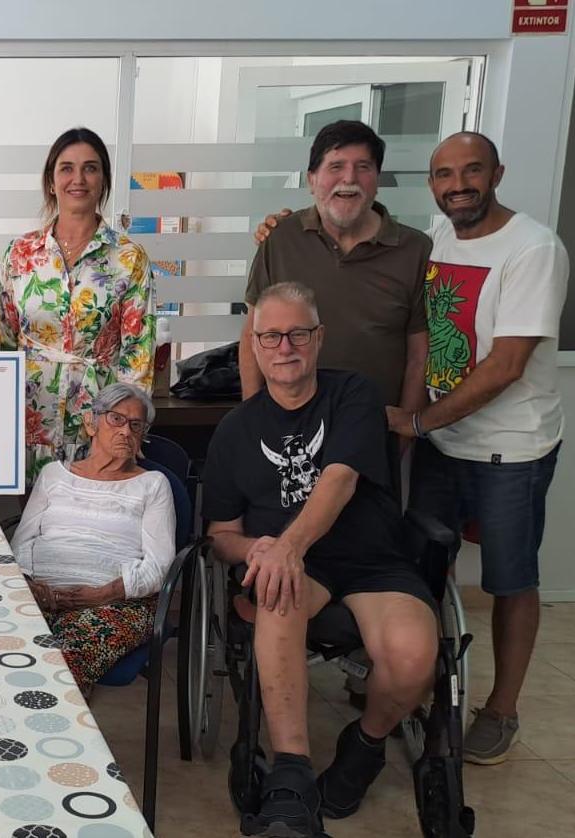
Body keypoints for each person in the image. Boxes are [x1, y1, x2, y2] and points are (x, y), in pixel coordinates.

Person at [203, 282, 438, 837]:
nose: (284, 347)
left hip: (372, 559)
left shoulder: (353, 394)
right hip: (294, 571)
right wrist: (258, 549)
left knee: (413, 658)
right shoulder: (236, 430)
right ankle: (292, 777)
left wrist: (288, 545)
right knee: (276, 589)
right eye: (271, 336)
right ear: (254, 345)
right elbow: (220, 535)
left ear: (319, 338)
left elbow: (339, 479)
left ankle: (366, 744)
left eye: (298, 334)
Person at [388, 132, 567, 765]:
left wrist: (418, 421)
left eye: (471, 171)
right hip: (443, 441)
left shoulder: (534, 248)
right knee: (423, 567)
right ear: (432, 183)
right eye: (444, 174)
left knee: (510, 579)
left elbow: (507, 365)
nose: (457, 185)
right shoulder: (438, 238)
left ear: (497, 173)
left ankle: (501, 710)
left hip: (510, 449)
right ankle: (413, 683)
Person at [0, 127, 157, 486]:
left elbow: (138, 356)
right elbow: (0, 342)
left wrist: (124, 430)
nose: (78, 179)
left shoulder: (129, 258)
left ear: (103, 180)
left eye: (90, 168)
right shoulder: (20, 255)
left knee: (90, 511)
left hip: (98, 421)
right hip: (29, 416)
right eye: (66, 168)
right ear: (51, 182)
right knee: (29, 514)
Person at [241, 121, 430, 416]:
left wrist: (405, 431)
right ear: (311, 179)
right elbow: (252, 337)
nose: (349, 178)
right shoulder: (281, 240)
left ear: (377, 180)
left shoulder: (415, 250)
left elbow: (419, 356)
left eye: (363, 167)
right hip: (287, 427)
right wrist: (252, 420)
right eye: (336, 166)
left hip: (374, 427)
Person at [13, 383, 174, 691]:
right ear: (91, 423)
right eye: (116, 419)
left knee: (58, 666)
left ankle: (48, 716)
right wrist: (30, 586)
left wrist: (103, 594)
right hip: (38, 596)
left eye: (136, 425)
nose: (125, 431)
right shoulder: (53, 475)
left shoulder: (153, 485)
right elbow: (22, 543)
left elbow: (159, 566)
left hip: (115, 604)